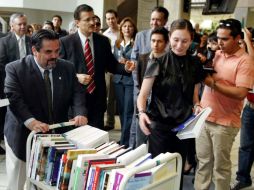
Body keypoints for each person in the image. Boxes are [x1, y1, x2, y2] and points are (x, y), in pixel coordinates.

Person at [4, 29, 88, 190]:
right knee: (17, 182)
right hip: (22, 136)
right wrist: (31, 121)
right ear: (34, 51)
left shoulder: (67, 68)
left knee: (47, 181)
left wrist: (79, 113)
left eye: (57, 51)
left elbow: (77, 93)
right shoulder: (15, 69)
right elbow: (15, 100)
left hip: (53, 136)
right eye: (48, 52)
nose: (54, 56)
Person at [137, 21, 206, 190]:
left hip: (183, 127)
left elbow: (195, 95)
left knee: (177, 171)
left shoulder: (195, 64)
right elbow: (143, 94)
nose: (179, 45)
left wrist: (197, 106)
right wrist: (141, 113)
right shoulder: (157, 62)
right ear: (169, 38)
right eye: (175, 40)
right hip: (160, 125)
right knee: (159, 171)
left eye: (185, 41)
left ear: (191, 40)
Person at [194, 19, 254, 190]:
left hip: (225, 123)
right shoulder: (217, 54)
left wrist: (213, 84)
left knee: (220, 168)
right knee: (203, 163)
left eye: (225, 39)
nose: (219, 42)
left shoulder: (245, 61)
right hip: (205, 116)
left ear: (237, 38)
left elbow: (241, 93)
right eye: (218, 38)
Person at [59, 4, 135, 130]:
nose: (93, 22)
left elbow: (112, 65)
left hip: (97, 100)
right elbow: (59, 71)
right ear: (77, 22)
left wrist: (126, 68)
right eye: (87, 19)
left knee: (96, 143)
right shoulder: (65, 42)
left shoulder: (103, 41)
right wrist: (76, 76)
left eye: (93, 18)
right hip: (75, 103)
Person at [129, 6, 169, 148]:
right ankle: (133, 151)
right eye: (152, 19)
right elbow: (135, 66)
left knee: (155, 134)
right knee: (137, 125)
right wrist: (139, 88)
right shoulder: (141, 36)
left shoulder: (169, 41)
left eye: (158, 20)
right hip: (141, 91)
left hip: (161, 99)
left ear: (165, 21)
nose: (154, 22)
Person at [0, 13, 32, 155]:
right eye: (19, 24)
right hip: (10, 85)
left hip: (31, 85)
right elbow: (1, 65)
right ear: (12, 26)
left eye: (24, 24)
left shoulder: (32, 41)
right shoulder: (4, 42)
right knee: (8, 115)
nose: (23, 26)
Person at [231, 27, 254, 190]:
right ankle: (243, 178)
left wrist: (247, 39)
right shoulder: (246, 56)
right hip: (250, 108)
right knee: (246, 145)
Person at [113, 17, 137, 147]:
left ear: (134, 29)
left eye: (130, 26)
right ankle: (124, 137)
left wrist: (127, 62)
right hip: (117, 80)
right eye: (124, 26)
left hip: (129, 81)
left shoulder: (136, 43)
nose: (127, 28)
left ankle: (125, 141)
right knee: (121, 111)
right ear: (121, 28)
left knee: (128, 112)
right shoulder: (117, 43)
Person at [103, 9, 120, 130]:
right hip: (109, 69)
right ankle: (110, 122)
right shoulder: (105, 35)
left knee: (120, 97)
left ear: (117, 18)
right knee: (109, 97)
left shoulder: (122, 31)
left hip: (122, 68)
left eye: (112, 18)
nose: (110, 21)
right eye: (108, 18)